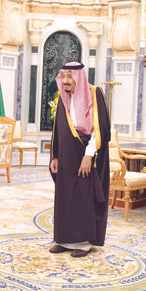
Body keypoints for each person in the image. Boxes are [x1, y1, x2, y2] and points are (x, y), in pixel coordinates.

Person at [49, 61, 111, 258]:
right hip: (65, 156)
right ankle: (64, 240)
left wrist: (88, 155)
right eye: (64, 77)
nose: (66, 81)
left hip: (85, 154)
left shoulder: (95, 94)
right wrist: (55, 155)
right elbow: (58, 129)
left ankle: (83, 243)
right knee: (65, 196)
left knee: (83, 197)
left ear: (79, 77)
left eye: (70, 77)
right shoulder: (63, 98)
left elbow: (100, 129)